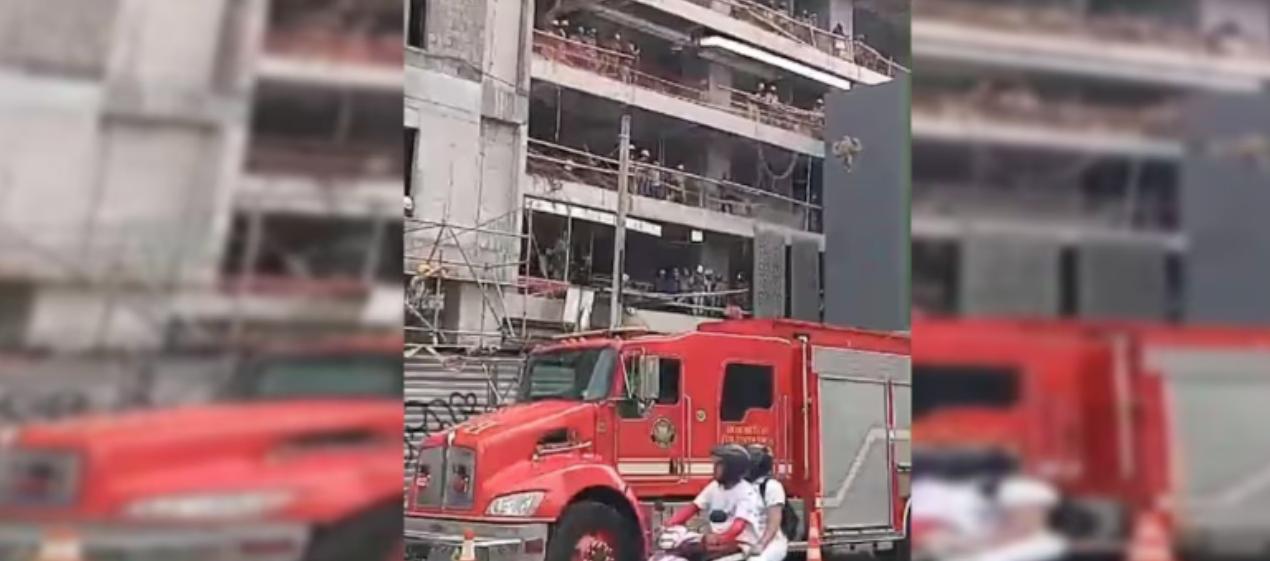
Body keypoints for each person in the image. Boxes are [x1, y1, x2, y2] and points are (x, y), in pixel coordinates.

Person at [663, 445, 764, 555]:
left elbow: (738, 526)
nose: (714, 468)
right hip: (717, 542)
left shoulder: (746, 492)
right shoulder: (714, 487)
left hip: (741, 544)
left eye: (719, 465)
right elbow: (693, 507)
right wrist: (669, 524)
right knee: (684, 549)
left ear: (732, 468)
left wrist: (721, 538)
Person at [745, 444, 789, 561]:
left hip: (770, 543)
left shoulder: (771, 487)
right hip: (743, 543)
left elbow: (773, 523)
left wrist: (761, 545)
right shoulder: (738, 486)